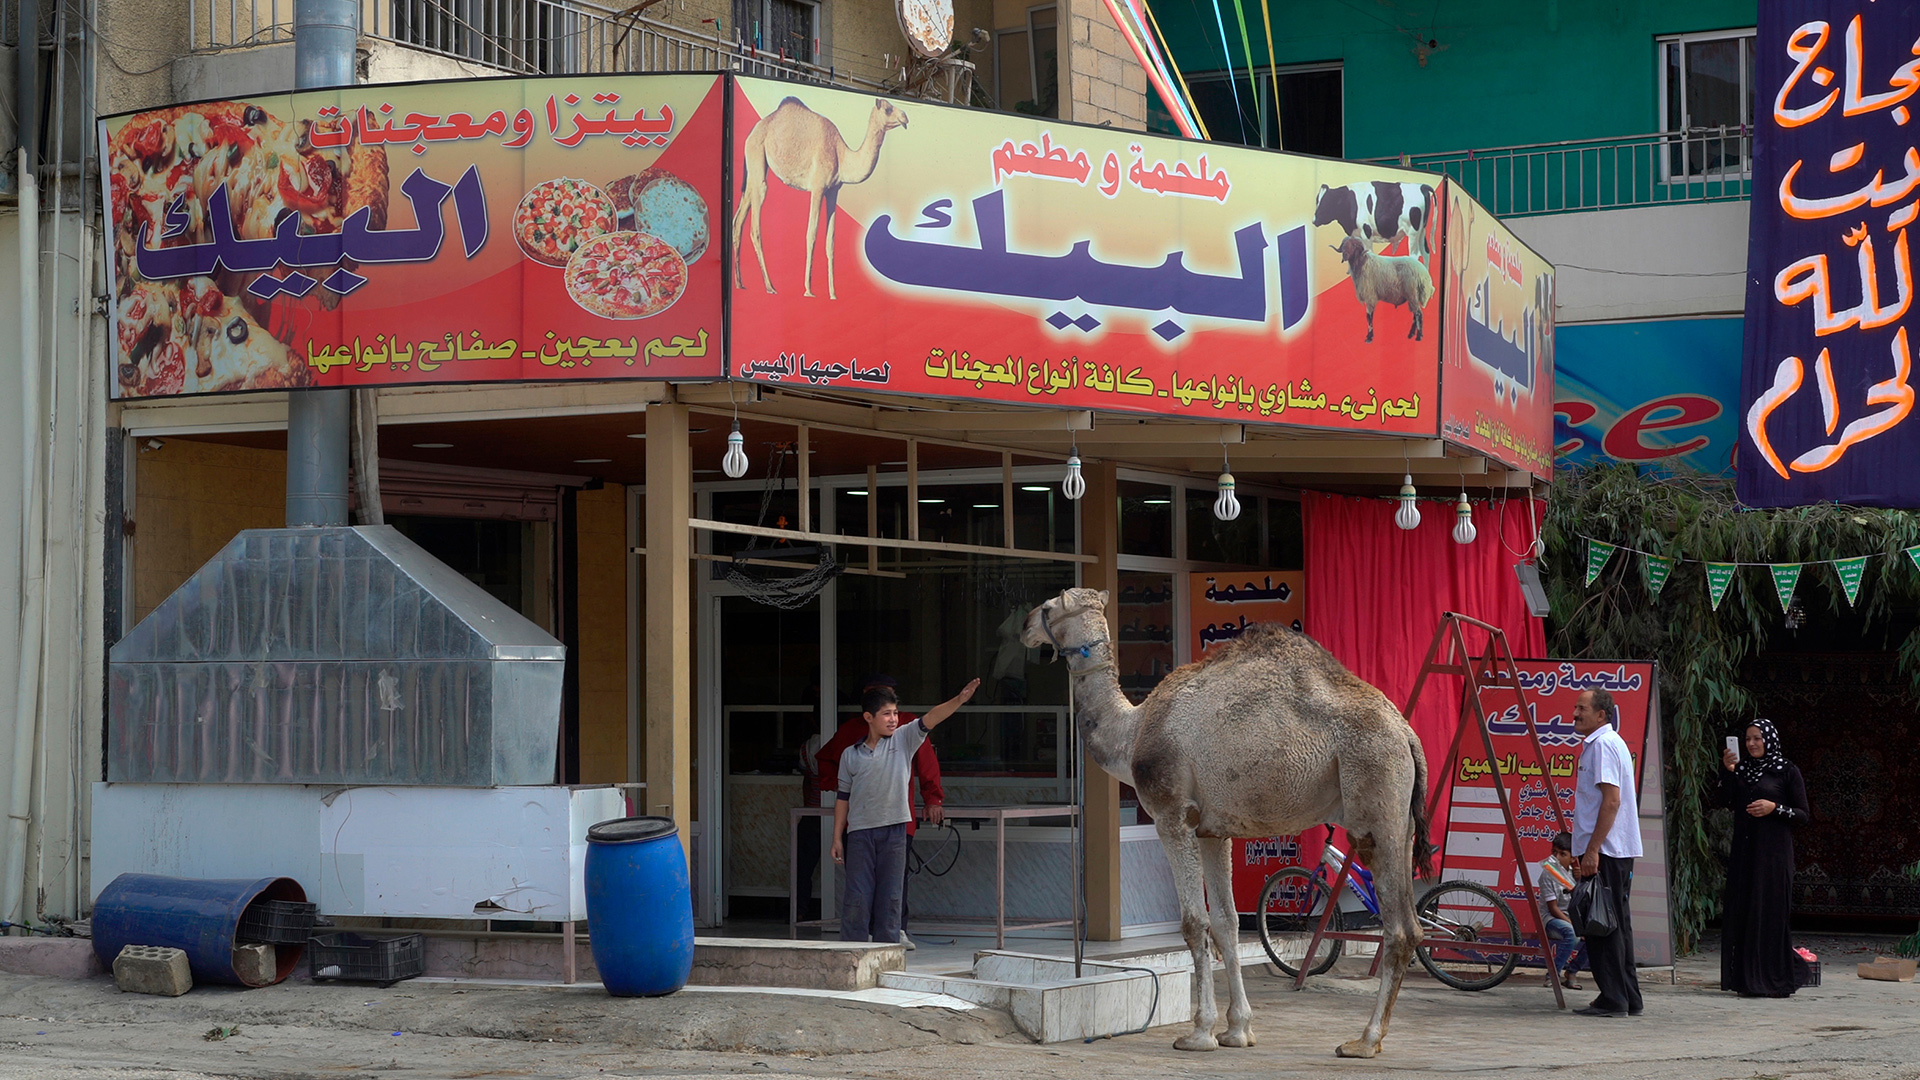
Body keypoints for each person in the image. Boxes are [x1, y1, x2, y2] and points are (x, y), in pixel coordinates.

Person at [831, 677, 978, 944]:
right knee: (857, 895)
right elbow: (843, 797)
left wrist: (959, 700)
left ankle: (887, 951)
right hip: (860, 833)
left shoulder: (904, 739)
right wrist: (837, 838)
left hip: (895, 831)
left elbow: (932, 717)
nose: (893, 719)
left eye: (895, 713)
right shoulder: (850, 755)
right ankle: (851, 951)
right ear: (868, 717)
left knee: (891, 895)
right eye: (886, 714)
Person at [1719, 718, 1811, 997]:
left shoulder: (1786, 770)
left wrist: (1775, 808)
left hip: (1773, 856)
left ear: (1769, 739)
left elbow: (1803, 815)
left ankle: (1771, 977)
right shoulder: (1743, 769)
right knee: (1745, 911)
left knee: (1769, 912)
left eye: (1757, 738)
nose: (1751, 744)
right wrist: (1727, 772)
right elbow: (1726, 799)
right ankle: (1746, 979)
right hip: (1745, 853)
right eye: (1747, 739)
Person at [1570, 687, 1644, 1018]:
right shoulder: (1604, 744)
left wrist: (1592, 850)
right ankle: (1628, 997)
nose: (1575, 713)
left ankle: (1614, 998)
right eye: (1576, 707)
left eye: (1582, 708)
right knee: (1614, 922)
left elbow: (1611, 801)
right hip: (1610, 849)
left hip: (1607, 851)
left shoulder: (1602, 745)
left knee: (1603, 924)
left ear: (1601, 715)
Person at [1537, 832, 1585, 990]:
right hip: (1552, 919)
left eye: (1562, 854)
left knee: (1598, 934)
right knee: (1572, 933)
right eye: (1554, 852)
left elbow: (1582, 900)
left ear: (1572, 858)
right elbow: (1553, 908)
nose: (1557, 857)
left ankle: (1572, 972)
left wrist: (1580, 881)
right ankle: (1552, 974)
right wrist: (1573, 924)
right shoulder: (1548, 874)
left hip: (1571, 918)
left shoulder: (1574, 873)